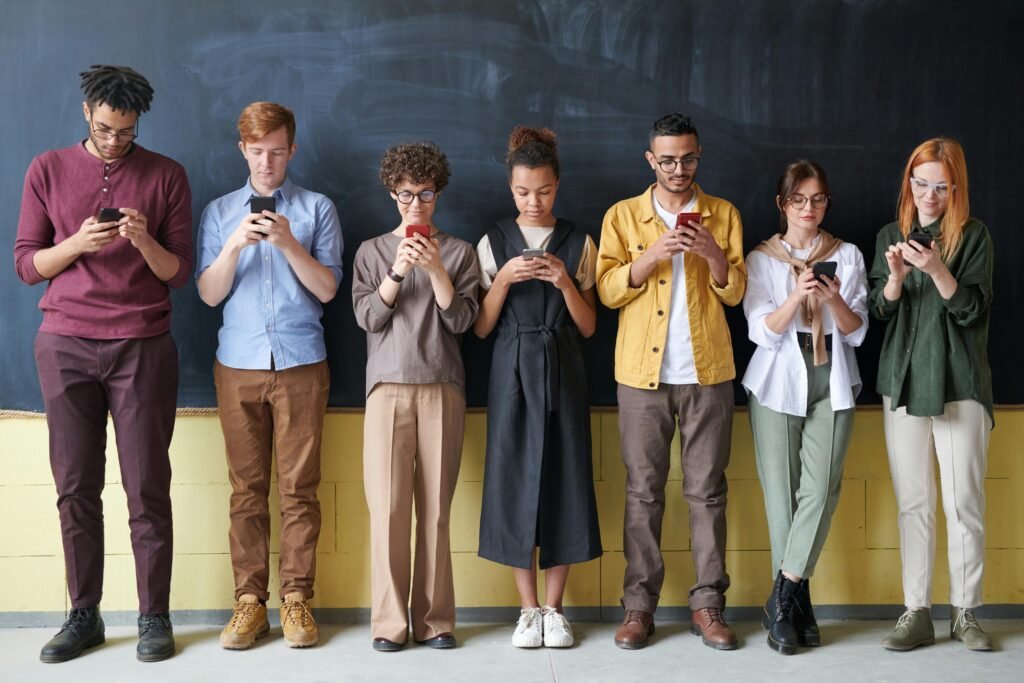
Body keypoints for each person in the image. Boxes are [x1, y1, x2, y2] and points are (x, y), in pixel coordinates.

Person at [14, 65, 192, 663]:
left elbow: (180, 273)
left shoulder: (166, 174)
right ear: (87, 111)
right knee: (75, 488)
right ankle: (83, 614)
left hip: (142, 343)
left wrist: (143, 241)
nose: (116, 140)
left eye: (127, 130)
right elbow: (26, 263)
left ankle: (153, 617)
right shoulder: (47, 169)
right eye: (107, 128)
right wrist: (77, 245)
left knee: (147, 486)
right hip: (63, 343)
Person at [196, 102, 343, 649]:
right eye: (257, 152)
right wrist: (236, 242)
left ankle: (298, 600)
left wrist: (287, 242)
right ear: (242, 150)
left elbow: (328, 290)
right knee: (246, 491)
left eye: (277, 152)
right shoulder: (218, 213)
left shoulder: (316, 209)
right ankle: (249, 602)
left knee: (299, 490)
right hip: (238, 363)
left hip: (303, 362)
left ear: (292, 150)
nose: (266, 162)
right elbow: (210, 294)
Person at [596, 113, 746, 650]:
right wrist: (650, 258)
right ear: (650, 160)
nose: (678, 169)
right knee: (643, 494)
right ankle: (639, 608)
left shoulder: (722, 214)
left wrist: (712, 256)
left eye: (688, 158)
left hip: (709, 374)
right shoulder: (623, 216)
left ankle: (709, 605)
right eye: (668, 160)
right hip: (641, 376)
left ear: (699, 156)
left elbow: (735, 295)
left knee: (707, 493)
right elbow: (608, 291)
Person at [475, 126, 603, 649]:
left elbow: (591, 326)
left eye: (544, 191)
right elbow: (480, 328)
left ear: (558, 185)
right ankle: (527, 610)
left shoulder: (578, 240)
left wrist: (563, 281)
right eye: (525, 192)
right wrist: (504, 279)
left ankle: (556, 607)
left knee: (565, 480)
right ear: (511, 189)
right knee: (512, 480)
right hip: (510, 370)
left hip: (563, 367)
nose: (534, 201)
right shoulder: (493, 241)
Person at [352, 142, 480, 652]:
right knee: (387, 512)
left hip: (442, 388)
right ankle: (388, 625)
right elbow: (368, 318)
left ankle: (437, 621)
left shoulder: (460, 251)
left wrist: (436, 269)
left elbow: (462, 320)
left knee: (437, 513)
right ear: (392, 194)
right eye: (406, 195)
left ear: (438, 192)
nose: (415, 205)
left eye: (425, 194)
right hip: (385, 390)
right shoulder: (371, 251)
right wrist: (398, 271)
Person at [869, 138, 994, 652]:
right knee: (913, 503)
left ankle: (965, 613)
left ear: (955, 188)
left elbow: (973, 312)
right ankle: (915, 611)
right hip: (902, 384)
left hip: (960, 382)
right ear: (909, 183)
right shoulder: (889, 236)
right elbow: (879, 311)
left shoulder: (974, 237)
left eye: (941, 186)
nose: (929, 195)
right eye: (921, 183)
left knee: (964, 502)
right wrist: (897, 277)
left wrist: (938, 269)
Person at [742, 161, 868, 654]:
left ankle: (780, 600)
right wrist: (797, 296)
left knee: (821, 491)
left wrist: (834, 300)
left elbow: (856, 332)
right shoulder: (762, 259)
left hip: (832, 374)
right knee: (783, 502)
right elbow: (761, 331)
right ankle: (798, 607)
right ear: (783, 204)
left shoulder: (849, 254)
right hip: (777, 378)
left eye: (818, 200)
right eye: (800, 200)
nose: (809, 209)